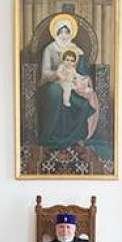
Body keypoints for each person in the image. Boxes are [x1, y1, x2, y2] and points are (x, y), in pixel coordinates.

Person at [38, 15, 100, 149]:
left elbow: (81, 72)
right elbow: (45, 73)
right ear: (56, 33)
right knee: (56, 92)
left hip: (72, 84)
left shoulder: (76, 50)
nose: (64, 35)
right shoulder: (50, 49)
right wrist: (58, 75)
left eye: (67, 32)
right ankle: (51, 136)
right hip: (53, 83)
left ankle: (75, 137)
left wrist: (81, 82)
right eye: (61, 32)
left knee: (82, 102)